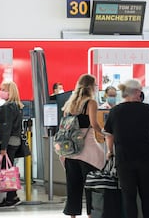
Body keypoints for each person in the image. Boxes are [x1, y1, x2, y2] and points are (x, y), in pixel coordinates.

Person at [103, 79, 149, 218]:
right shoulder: (147, 109)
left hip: (124, 158)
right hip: (146, 158)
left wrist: (110, 151)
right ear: (138, 92)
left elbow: (109, 135)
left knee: (129, 196)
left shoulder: (115, 111)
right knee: (147, 194)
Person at [60, 74, 105, 218]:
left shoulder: (69, 103)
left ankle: (72, 215)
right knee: (91, 184)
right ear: (91, 87)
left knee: (73, 185)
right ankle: (91, 214)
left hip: (70, 150)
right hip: (87, 150)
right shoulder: (90, 103)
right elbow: (94, 124)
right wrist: (106, 133)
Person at [0, 81, 25, 208]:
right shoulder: (17, 106)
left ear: (10, 91)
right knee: (9, 169)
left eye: (3, 89)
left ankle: (11, 197)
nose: (1, 91)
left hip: (9, 142)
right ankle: (12, 196)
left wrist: (3, 147)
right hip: (15, 141)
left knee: (6, 170)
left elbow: (7, 127)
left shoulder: (6, 107)